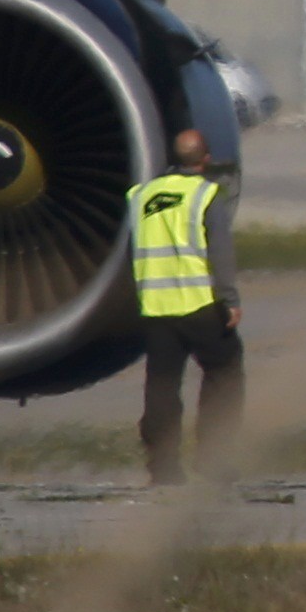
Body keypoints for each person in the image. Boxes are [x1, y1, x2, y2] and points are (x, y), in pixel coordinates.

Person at [128, 126, 244, 484]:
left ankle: (163, 467)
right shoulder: (206, 195)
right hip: (199, 304)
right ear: (205, 160)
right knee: (224, 375)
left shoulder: (141, 195)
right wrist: (230, 300)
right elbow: (220, 253)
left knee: (162, 386)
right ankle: (214, 460)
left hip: (157, 308)